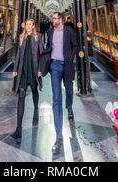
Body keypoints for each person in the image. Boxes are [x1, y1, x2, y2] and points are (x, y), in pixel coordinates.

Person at [43, 11, 78, 155]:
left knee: (69, 91)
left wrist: (69, 56)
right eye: (52, 18)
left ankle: (69, 107)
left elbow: (76, 45)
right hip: (55, 67)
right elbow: (48, 45)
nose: (53, 20)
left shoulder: (69, 31)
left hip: (67, 66)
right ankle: (58, 136)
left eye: (55, 18)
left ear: (61, 20)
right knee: (56, 99)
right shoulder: (50, 31)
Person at [11, 18, 44, 143]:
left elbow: (42, 54)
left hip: (34, 69)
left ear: (33, 26)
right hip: (23, 69)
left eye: (30, 24)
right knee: (21, 95)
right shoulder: (21, 37)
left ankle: (36, 110)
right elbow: (18, 54)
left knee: (35, 90)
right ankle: (18, 130)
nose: (28, 26)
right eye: (26, 25)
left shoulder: (38, 37)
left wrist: (40, 69)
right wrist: (15, 69)